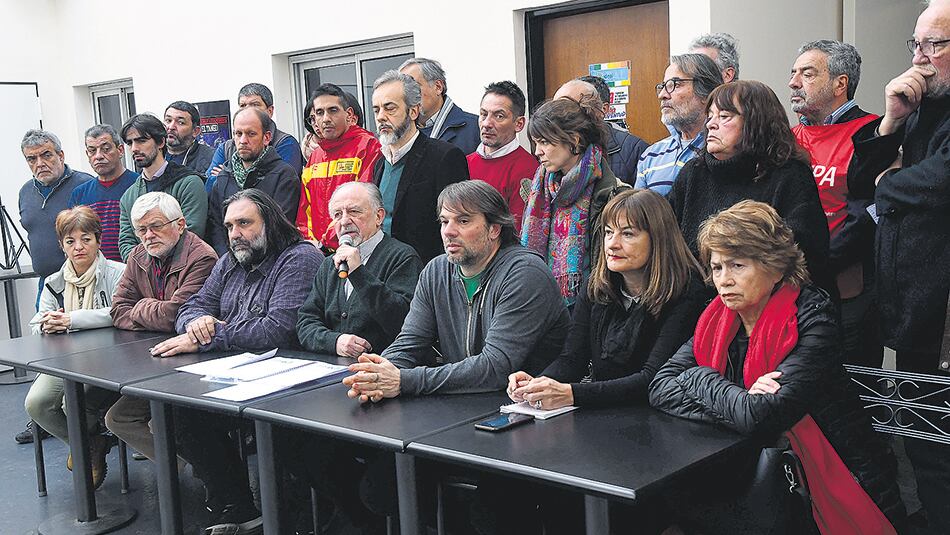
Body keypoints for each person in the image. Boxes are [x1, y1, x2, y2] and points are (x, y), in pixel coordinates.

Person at [649, 200, 905, 534]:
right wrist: (733, 397)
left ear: (775, 266)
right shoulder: (715, 319)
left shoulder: (812, 318)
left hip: (831, 479)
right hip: (744, 478)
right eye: (717, 267)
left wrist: (697, 380)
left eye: (737, 265)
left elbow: (765, 416)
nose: (724, 280)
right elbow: (660, 387)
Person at [327, 180, 569, 527]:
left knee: (489, 514)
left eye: (463, 221)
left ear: (494, 229)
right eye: (444, 221)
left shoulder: (524, 273)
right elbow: (410, 342)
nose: (449, 231)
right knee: (381, 488)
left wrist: (403, 380)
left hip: (525, 418)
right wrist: (376, 372)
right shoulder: (437, 269)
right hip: (460, 409)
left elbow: (495, 367)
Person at [150, 189, 321, 535]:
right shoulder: (230, 261)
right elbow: (191, 307)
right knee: (179, 412)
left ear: (270, 222)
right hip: (236, 373)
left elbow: (277, 330)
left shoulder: (299, 258)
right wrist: (198, 323)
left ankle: (291, 517)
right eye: (229, 226)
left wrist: (210, 336)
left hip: (292, 382)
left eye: (244, 223)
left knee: (273, 433)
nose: (235, 234)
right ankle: (237, 504)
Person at [848, 1, 950, 530]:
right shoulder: (919, 108)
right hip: (913, 307)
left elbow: (940, 182)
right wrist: (890, 119)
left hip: (944, 312)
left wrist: (889, 184)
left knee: (940, 445)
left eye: (935, 44)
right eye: (916, 44)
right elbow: (858, 183)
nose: (920, 58)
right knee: (923, 440)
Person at [668, 80, 833, 295]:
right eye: (710, 116)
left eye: (724, 116)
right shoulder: (693, 173)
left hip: (768, 301)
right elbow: (666, 238)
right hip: (693, 301)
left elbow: (801, 253)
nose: (710, 124)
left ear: (756, 123)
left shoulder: (789, 175)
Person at [789, 40, 881, 366]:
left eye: (807, 74)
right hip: (792, 290)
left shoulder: (873, 132)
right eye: (793, 73)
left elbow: (869, 214)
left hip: (849, 294)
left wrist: (816, 265)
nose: (793, 82)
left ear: (840, 84)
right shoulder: (788, 138)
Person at [106, 192, 217, 463]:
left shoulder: (202, 258)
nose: (148, 236)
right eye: (141, 230)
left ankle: (194, 470)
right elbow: (117, 310)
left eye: (156, 226)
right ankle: (177, 468)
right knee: (115, 417)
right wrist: (153, 311)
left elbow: (176, 315)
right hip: (151, 358)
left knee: (159, 422)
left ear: (180, 224)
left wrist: (140, 307)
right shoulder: (137, 255)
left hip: (195, 363)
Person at [23, 207, 125, 489]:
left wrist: (71, 320)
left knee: (72, 403)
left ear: (98, 240)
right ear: (62, 245)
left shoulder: (119, 273)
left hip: (109, 361)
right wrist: (47, 324)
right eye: (70, 241)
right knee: (36, 404)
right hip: (66, 361)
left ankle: (86, 447)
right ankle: (90, 445)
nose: (78, 247)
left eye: (86, 239)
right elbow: (36, 323)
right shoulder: (54, 282)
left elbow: (120, 313)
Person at [16, 129, 93, 444]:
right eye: (32, 158)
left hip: (82, 280)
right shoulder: (26, 192)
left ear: (61, 155)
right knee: (46, 346)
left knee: (85, 348)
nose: (40, 163)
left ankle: (89, 419)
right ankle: (44, 418)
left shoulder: (83, 185)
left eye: (46, 155)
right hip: (46, 284)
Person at [521, 96, 626, 308]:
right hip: (541, 304)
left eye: (544, 142)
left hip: (592, 305)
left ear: (574, 140)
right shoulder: (539, 188)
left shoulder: (611, 193)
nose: (537, 151)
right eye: (536, 143)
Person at [296, 181, 422, 356]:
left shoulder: (402, 257)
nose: (344, 221)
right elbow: (305, 322)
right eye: (337, 215)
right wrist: (335, 342)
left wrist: (358, 273)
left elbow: (404, 322)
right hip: (332, 366)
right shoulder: (329, 263)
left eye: (354, 211)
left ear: (379, 217)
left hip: (385, 366)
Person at [371, 70, 469, 262]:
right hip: (384, 269)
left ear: (413, 111)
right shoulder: (379, 163)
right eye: (376, 110)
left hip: (427, 269)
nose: (381, 116)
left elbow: (457, 224)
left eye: (390, 108)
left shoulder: (444, 157)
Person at [296, 83, 382, 249]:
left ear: (349, 114)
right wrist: (310, 244)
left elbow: (361, 204)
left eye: (333, 110)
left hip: (356, 248)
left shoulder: (368, 147)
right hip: (319, 251)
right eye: (319, 113)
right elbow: (304, 212)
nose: (326, 119)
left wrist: (324, 243)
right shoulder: (315, 156)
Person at [207, 107, 299, 255]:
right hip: (230, 260)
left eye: (251, 134)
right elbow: (216, 228)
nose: (243, 141)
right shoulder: (223, 178)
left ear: (266, 137)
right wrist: (229, 260)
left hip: (271, 260)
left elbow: (281, 228)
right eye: (238, 134)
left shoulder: (284, 175)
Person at [117, 113, 208, 261]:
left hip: (186, 269)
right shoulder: (128, 196)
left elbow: (191, 235)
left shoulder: (189, 184)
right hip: (144, 274)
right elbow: (126, 244)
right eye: (130, 143)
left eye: (141, 141)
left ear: (160, 142)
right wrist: (145, 268)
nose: (134, 148)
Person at [635, 54, 723, 195]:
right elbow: (639, 209)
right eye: (663, 86)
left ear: (707, 93)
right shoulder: (651, 155)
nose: (662, 95)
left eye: (675, 85)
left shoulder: (724, 150)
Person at [466, 80, 538, 229]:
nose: (486, 123)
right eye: (483, 114)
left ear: (519, 124)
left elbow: (519, 230)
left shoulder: (528, 169)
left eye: (499, 116)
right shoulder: (464, 162)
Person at [205, 83, 303, 184]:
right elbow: (210, 184)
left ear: (270, 111)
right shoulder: (226, 148)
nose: (248, 110)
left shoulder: (285, 143)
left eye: (255, 105)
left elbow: (279, 183)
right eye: (243, 106)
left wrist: (226, 177)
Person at [68, 124, 138, 262]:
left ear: (120, 150)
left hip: (133, 268)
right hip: (94, 270)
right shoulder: (79, 194)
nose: (98, 156)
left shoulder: (138, 185)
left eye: (106, 149)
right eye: (92, 151)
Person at [575, 76, 650, 184]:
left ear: (603, 109)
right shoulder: (558, 146)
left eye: (581, 106)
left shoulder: (634, 149)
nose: (570, 113)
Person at [400, 57, 480, 154]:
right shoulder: (400, 134)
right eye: (404, 90)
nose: (407, 95)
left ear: (438, 87)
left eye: (413, 87)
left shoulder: (476, 129)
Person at [163, 101, 215, 176]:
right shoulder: (152, 154)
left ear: (195, 131)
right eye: (168, 120)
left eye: (180, 122)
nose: (171, 127)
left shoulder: (211, 158)